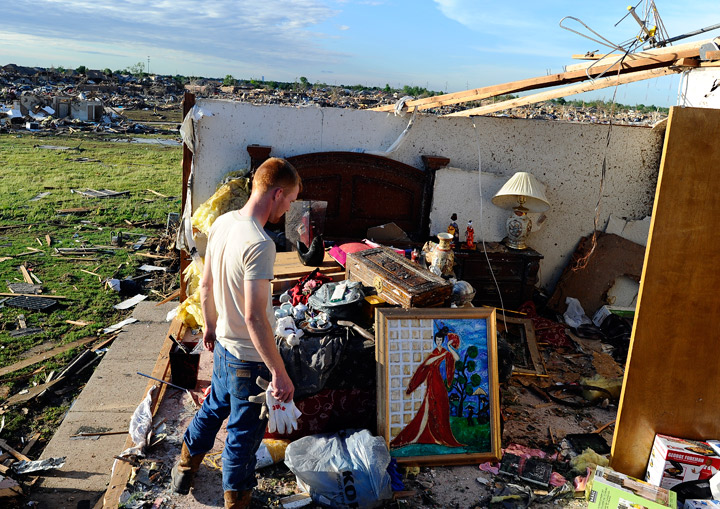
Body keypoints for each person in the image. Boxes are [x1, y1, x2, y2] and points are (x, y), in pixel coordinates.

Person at [171, 157, 301, 508]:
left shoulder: (224, 222)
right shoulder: (261, 243)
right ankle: (237, 501)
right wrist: (278, 372)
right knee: (243, 437)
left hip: (226, 348)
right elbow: (256, 317)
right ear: (276, 193)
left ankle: (185, 465)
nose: (288, 208)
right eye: (289, 200)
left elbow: (208, 283)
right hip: (249, 359)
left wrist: (211, 327)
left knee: (213, 407)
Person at [390, 327, 464, 448]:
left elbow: (456, 358)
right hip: (432, 383)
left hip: (440, 384)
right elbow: (426, 364)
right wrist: (440, 356)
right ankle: (425, 435)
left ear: (443, 340)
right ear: (435, 341)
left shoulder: (446, 352)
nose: (439, 342)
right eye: (437, 340)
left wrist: (449, 348)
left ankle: (441, 436)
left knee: (441, 407)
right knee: (429, 406)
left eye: (441, 340)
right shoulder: (434, 353)